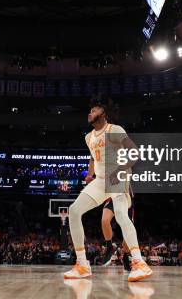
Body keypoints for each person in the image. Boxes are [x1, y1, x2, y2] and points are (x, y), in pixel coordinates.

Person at [63, 95, 153, 282]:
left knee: (120, 215)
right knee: (74, 210)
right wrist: (89, 174)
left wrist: (120, 169)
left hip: (118, 176)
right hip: (100, 180)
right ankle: (82, 264)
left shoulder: (114, 130)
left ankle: (139, 262)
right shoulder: (89, 137)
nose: (90, 113)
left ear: (103, 114)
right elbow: (93, 158)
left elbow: (134, 153)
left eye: (94, 110)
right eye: (90, 110)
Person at [100, 192, 135, 271]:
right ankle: (109, 247)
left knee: (128, 230)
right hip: (113, 198)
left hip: (126, 199)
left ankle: (125, 255)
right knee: (104, 220)